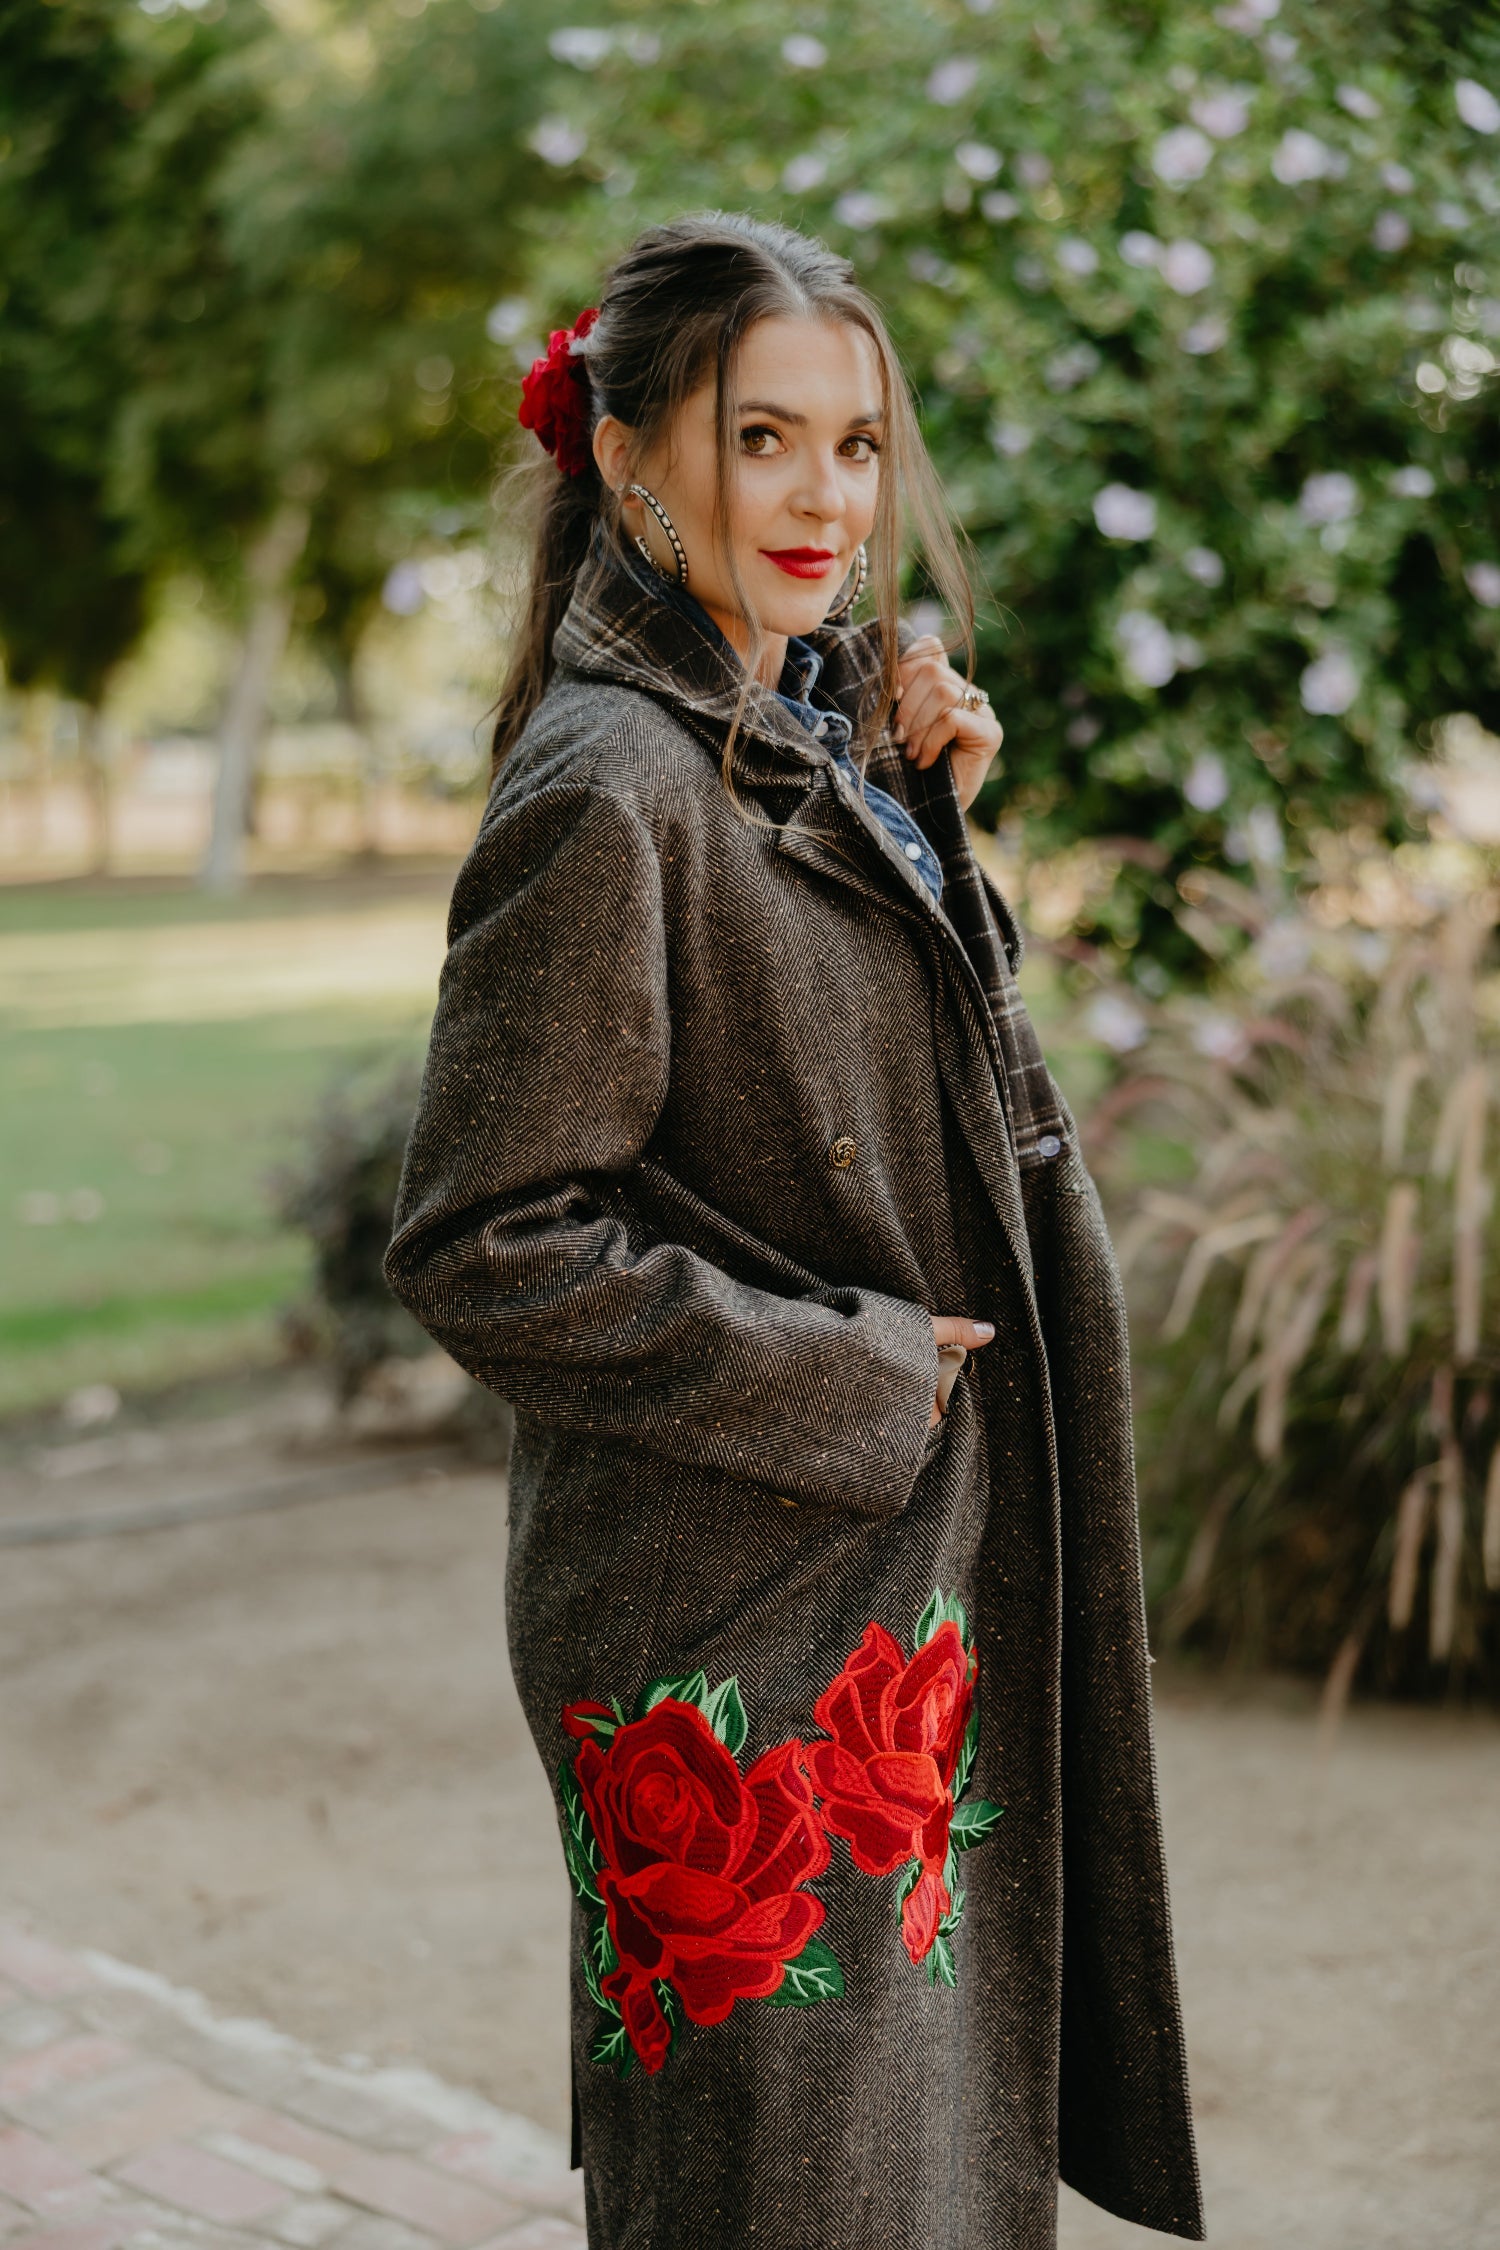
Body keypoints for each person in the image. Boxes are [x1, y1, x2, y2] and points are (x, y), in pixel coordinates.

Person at [385, 212, 1202, 2250]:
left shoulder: (799, 725)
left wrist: (934, 825)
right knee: (779, 2194)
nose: (827, 497)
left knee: (896, 2178)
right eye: (764, 439)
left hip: (882, 1589)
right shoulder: (610, 786)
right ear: (629, 454)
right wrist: (850, 1375)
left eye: (855, 444)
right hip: (735, 1618)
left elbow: (896, 1085)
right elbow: (482, 1237)